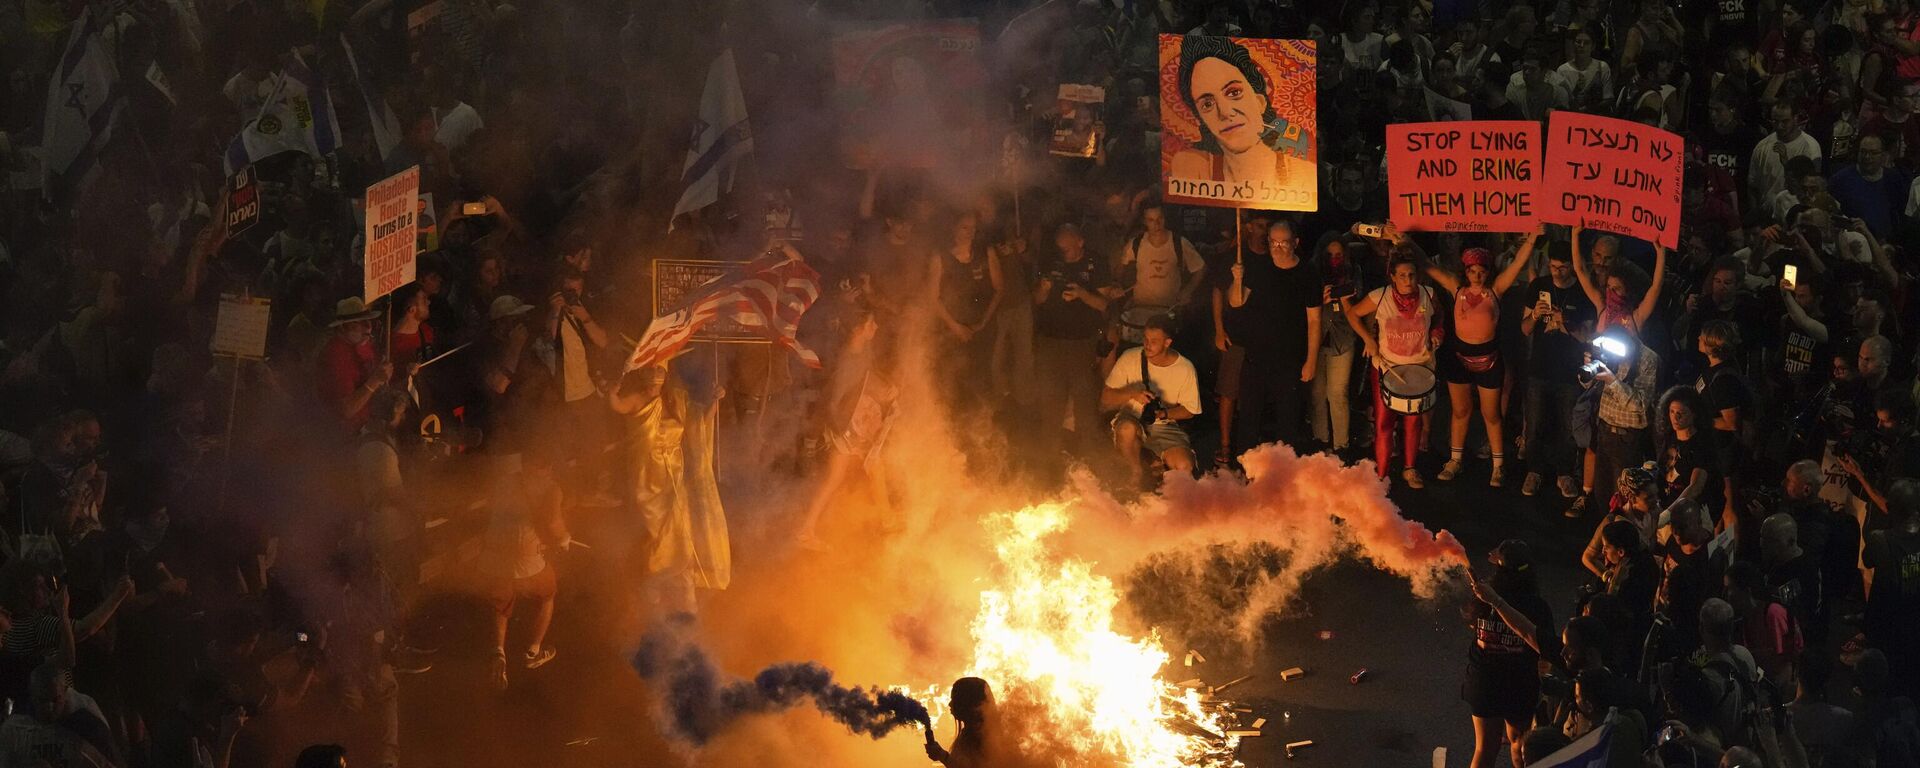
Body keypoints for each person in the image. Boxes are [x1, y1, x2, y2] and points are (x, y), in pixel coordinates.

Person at [1425, 232, 1539, 486]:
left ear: (1488, 272)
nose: (1476, 275)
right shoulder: (1457, 289)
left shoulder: (1495, 290)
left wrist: (1531, 240)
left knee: (1492, 414)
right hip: (1459, 359)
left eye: (1481, 271)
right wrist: (1403, 241)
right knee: (1460, 411)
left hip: (1488, 360)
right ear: (1465, 271)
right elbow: (1430, 268)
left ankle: (1498, 466)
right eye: (1472, 270)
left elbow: (1518, 264)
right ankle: (1455, 460)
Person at [795, 309, 896, 551]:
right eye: (872, 323)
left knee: (858, 469)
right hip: (846, 428)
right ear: (857, 329)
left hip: (853, 427)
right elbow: (833, 400)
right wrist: (841, 432)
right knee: (869, 464)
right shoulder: (847, 360)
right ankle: (887, 519)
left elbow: (866, 378)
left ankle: (806, 530)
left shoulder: (863, 350)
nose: (876, 327)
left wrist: (884, 390)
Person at [1219, 218, 1320, 453]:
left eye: (1283, 243)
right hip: (1256, 358)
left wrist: (1311, 361)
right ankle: (1247, 471)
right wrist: (1237, 280)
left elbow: (1314, 320)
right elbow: (1236, 302)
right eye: (1273, 242)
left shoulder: (1308, 272)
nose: (1277, 248)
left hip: (1290, 360)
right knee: (1249, 420)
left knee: (1288, 421)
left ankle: (1284, 474)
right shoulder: (1258, 267)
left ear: (1295, 243)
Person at [1169, 36, 1316, 194]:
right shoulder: (1194, 167)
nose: (1225, 112)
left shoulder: (1304, 174)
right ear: (1200, 119)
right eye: (1207, 104)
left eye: (1234, 92)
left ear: (1260, 101)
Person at [1345, 248, 1439, 487]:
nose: (1408, 280)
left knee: (1413, 421)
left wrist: (1438, 334)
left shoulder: (1428, 294)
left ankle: (1410, 469)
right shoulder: (1380, 296)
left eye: (1412, 275)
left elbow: (1440, 319)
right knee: (1384, 422)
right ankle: (1382, 474)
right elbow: (1353, 314)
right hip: (1387, 368)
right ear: (1393, 277)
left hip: (1419, 367)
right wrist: (1368, 339)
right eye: (1403, 276)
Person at [479, 449, 568, 686]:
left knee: (501, 605)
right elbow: (553, 523)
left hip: (493, 557)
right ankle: (533, 652)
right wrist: (564, 538)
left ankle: (499, 652)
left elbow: (490, 507)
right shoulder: (551, 489)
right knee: (547, 595)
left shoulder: (504, 481)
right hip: (527, 561)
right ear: (547, 466)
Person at [1462, 540, 1553, 768]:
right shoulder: (1537, 606)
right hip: (1519, 684)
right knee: (1520, 743)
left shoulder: (1483, 600)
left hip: (1485, 682)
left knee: (1485, 748)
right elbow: (1544, 647)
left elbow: (1474, 627)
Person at [1520, 242, 1597, 499]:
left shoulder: (1583, 293)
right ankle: (1534, 471)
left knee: (1568, 427)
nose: (1557, 273)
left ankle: (1565, 474)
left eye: (1563, 268)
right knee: (1534, 425)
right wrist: (1534, 316)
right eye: (1553, 267)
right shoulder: (1538, 286)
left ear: (1573, 267)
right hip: (1539, 369)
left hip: (1569, 372)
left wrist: (1566, 322)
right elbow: (1525, 329)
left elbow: (1588, 336)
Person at [1033, 223, 1114, 456]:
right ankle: (1050, 454)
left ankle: (1089, 453)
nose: (1064, 252)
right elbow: (1036, 300)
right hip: (1051, 341)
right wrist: (1044, 289)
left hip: (1082, 342)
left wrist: (1081, 294)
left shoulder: (1096, 263)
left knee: (1084, 399)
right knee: (1051, 399)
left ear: (1080, 242)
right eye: (1061, 248)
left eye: (1068, 248)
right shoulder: (1051, 261)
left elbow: (1104, 304)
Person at [1101, 315, 1201, 489]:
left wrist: (1163, 414)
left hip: (1164, 425)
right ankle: (1135, 471)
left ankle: (1157, 467)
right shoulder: (1130, 357)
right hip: (1131, 420)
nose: (1147, 345)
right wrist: (1131, 393)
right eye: (1145, 339)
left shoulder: (1185, 368)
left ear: (1167, 343)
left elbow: (1190, 410)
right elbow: (1105, 399)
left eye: (1154, 341)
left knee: (1184, 467)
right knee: (1126, 428)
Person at [930, 211, 1005, 400]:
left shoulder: (985, 252)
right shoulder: (941, 257)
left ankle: (982, 422)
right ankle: (953, 422)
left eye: (973, 228)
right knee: (955, 377)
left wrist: (983, 323)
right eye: (965, 227)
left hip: (982, 329)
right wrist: (956, 327)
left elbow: (999, 289)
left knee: (981, 376)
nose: (970, 232)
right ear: (954, 228)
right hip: (952, 330)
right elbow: (933, 298)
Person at [317, 297, 393, 430]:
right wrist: (374, 381)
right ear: (342, 327)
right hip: (346, 436)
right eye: (360, 322)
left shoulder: (364, 344)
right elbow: (346, 410)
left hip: (370, 424)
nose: (368, 326)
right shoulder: (334, 356)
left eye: (369, 320)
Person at [926, 677, 1003, 767]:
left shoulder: (986, 738)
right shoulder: (969, 734)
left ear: (966, 703)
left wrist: (942, 755)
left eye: (954, 699)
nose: (950, 704)